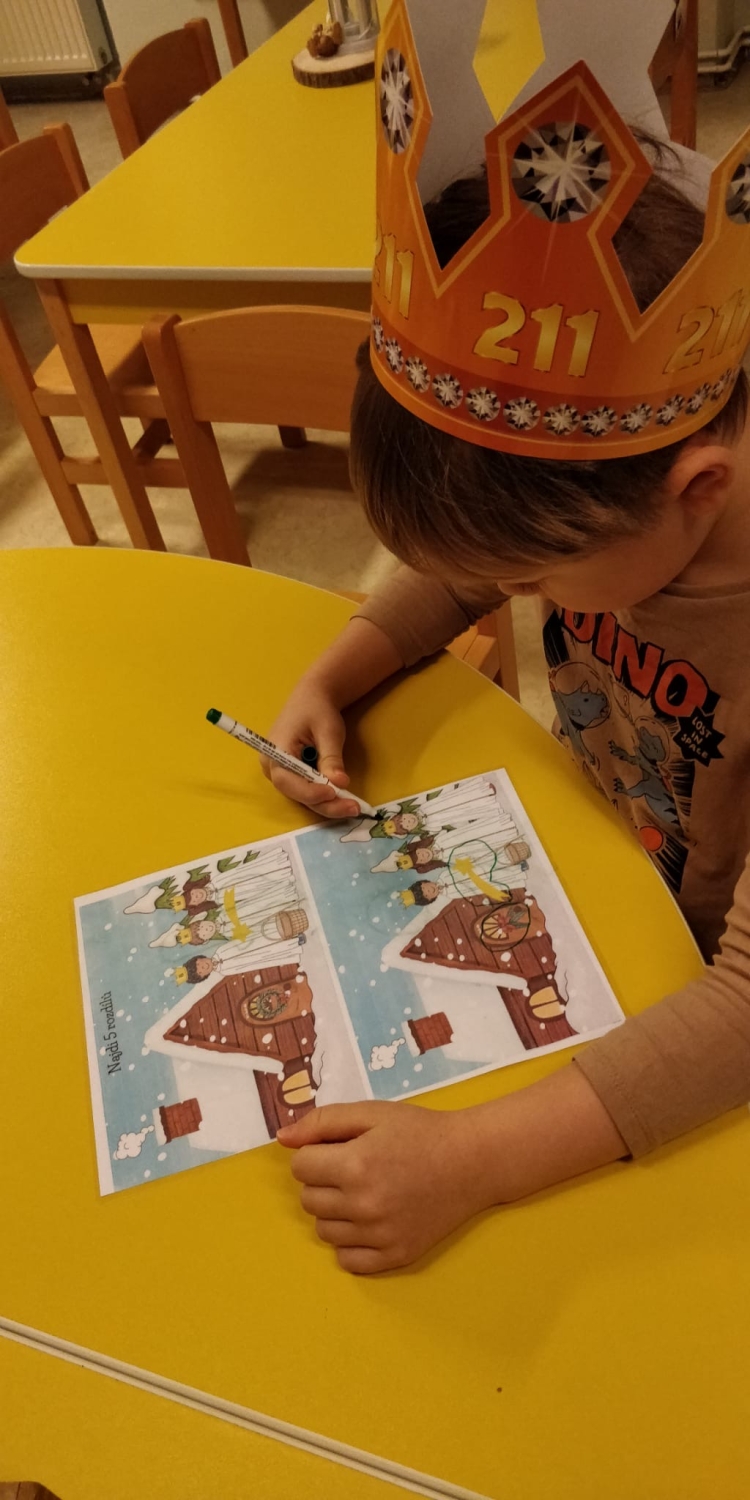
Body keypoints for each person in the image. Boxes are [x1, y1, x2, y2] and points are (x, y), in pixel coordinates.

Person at [262, 142, 750, 1272]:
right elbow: (474, 563)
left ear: (700, 491)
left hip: (696, 969)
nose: (513, 595)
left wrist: (470, 1159)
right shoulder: (625, 497)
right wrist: (336, 675)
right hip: (606, 873)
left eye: (534, 585)